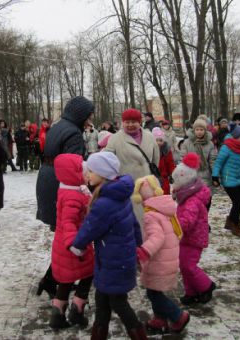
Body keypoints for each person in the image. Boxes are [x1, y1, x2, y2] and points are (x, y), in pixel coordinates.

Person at [70, 152, 147, 339]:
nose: (87, 175)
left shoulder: (105, 202)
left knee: (118, 302)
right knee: (102, 299)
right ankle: (99, 333)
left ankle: (138, 334)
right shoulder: (120, 195)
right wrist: (138, 245)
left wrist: (77, 245)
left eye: (91, 172)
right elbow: (134, 223)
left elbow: (90, 227)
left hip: (113, 262)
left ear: (103, 174)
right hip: (118, 258)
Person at [35, 96, 94, 300]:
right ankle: (53, 281)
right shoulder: (74, 133)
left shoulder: (59, 126)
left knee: (62, 234)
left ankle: (51, 281)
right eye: (88, 115)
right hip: (60, 184)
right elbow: (74, 166)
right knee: (69, 235)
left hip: (47, 177)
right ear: (80, 115)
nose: (90, 120)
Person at [132, 175, 190, 334]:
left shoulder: (151, 214)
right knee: (155, 290)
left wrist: (144, 251)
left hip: (158, 260)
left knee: (153, 293)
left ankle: (178, 316)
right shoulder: (166, 207)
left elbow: (157, 237)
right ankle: (160, 320)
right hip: (169, 257)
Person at [49, 153, 94, 329]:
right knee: (89, 273)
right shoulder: (72, 197)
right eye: (84, 171)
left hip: (63, 245)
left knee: (66, 281)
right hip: (74, 244)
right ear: (74, 175)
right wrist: (74, 244)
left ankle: (57, 315)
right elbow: (68, 222)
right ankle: (77, 309)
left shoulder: (69, 190)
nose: (88, 174)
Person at [172, 153, 216, 305]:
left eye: (175, 181)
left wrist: (173, 224)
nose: (174, 184)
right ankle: (191, 292)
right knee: (184, 265)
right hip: (186, 238)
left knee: (188, 266)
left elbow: (187, 221)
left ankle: (206, 286)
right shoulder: (186, 195)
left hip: (193, 238)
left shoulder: (191, 200)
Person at [105, 108, 160, 226]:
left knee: (149, 218)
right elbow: (107, 160)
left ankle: (149, 242)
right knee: (132, 219)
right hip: (127, 185)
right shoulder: (115, 138)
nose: (130, 125)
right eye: (127, 122)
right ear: (122, 123)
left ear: (140, 122)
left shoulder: (149, 136)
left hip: (148, 185)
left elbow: (156, 159)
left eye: (133, 122)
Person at [180, 118, 216, 209]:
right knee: (194, 202)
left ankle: (204, 221)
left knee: (207, 201)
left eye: (201, 130)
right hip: (191, 176)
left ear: (205, 130)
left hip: (205, 175)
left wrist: (215, 175)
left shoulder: (210, 144)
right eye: (197, 130)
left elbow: (212, 160)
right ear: (194, 130)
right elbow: (182, 159)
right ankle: (196, 222)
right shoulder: (187, 143)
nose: (199, 132)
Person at [152, 127, 176, 195]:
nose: (159, 142)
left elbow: (170, 163)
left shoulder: (166, 151)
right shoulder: (151, 150)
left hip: (164, 177)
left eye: (160, 140)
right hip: (153, 177)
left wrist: (172, 174)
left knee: (165, 194)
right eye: (156, 140)